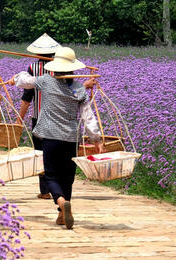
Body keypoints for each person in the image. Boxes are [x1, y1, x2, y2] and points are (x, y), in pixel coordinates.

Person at [7, 47, 105, 229]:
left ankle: (61, 203)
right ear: (73, 69)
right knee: (67, 176)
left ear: (54, 68)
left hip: (51, 137)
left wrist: (16, 78)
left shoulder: (46, 81)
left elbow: (25, 81)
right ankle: (62, 213)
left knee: (51, 175)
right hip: (71, 138)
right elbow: (88, 116)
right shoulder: (78, 89)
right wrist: (96, 139)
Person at [19, 33, 61, 200]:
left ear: (37, 53)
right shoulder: (60, 68)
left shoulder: (33, 69)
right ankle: (57, 187)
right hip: (58, 118)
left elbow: (27, 96)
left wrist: (19, 119)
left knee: (41, 153)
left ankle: (45, 191)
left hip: (39, 118)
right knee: (55, 153)